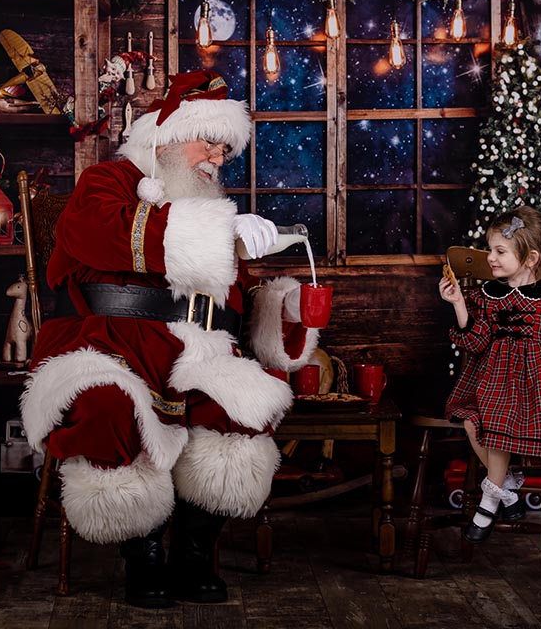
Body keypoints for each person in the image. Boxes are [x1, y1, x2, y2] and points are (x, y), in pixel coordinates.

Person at [20, 70, 322, 607]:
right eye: (208, 140)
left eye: (226, 148)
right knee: (107, 406)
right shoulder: (106, 182)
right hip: (106, 343)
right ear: (165, 136)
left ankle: (191, 551)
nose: (217, 156)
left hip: (195, 351)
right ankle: (143, 556)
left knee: (242, 410)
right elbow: (97, 234)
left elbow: (235, 302)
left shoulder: (210, 209)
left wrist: (288, 305)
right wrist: (216, 231)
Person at [438, 206, 541, 542]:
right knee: (470, 419)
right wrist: (459, 304)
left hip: (537, 390)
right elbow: (476, 342)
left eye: (499, 251)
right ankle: (506, 488)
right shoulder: (489, 297)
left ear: (530, 258)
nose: (490, 258)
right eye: (490, 249)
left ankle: (489, 501)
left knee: (498, 420)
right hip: (492, 382)